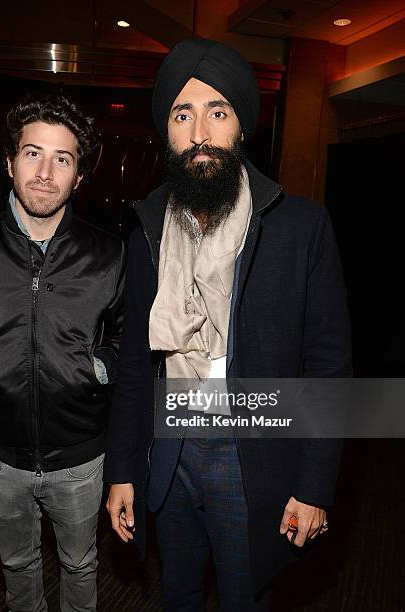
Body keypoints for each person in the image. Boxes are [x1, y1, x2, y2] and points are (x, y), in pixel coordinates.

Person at [104, 37, 351, 611]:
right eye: (181, 114)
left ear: (241, 127)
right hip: (169, 455)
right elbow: (135, 369)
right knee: (179, 597)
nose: (199, 134)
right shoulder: (145, 228)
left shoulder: (300, 228)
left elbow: (329, 368)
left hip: (253, 456)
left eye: (218, 112)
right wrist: (122, 470)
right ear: (165, 131)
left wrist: (314, 486)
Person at [0, 90, 125, 612]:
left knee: (81, 565)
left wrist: (99, 367)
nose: (45, 171)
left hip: (82, 456)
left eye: (62, 158)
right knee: (17, 566)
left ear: (78, 175)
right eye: (33, 153)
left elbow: (128, 333)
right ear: (11, 161)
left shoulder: (109, 253)